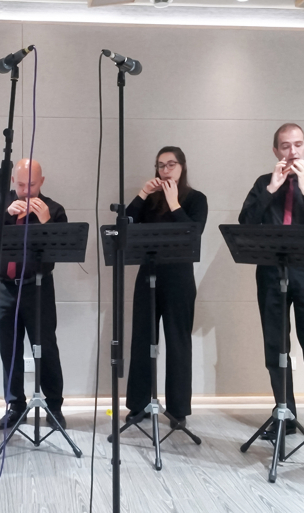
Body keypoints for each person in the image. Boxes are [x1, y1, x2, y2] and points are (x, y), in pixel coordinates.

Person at [238, 123, 304, 447]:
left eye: (297, 144)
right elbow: (246, 223)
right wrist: (271, 188)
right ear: (275, 151)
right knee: (275, 348)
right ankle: (285, 414)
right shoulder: (263, 183)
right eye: (285, 146)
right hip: (271, 273)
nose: (292, 151)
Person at [0, 158, 69, 430]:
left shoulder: (54, 209)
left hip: (38, 287)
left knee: (46, 348)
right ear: (13, 181)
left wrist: (46, 221)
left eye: (32, 185)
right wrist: (4, 214)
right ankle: (15, 406)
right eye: (20, 185)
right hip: (4, 288)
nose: (26, 191)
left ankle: (54, 406)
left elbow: (62, 249)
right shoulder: (1, 201)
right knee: (9, 349)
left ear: (42, 182)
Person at [123, 147, 207, 430]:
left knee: (178, 342)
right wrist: (142, 194)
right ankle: (139, 405)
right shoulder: (149, 201)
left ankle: (178, 410)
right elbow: (125, 224)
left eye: (171, 164)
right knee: (142, 340)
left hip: (179, 278)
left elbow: (193, 233)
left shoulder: (196, 199)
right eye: (160, 165)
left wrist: (174, 204)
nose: (165, 170)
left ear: (182, 167)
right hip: (148, 275)